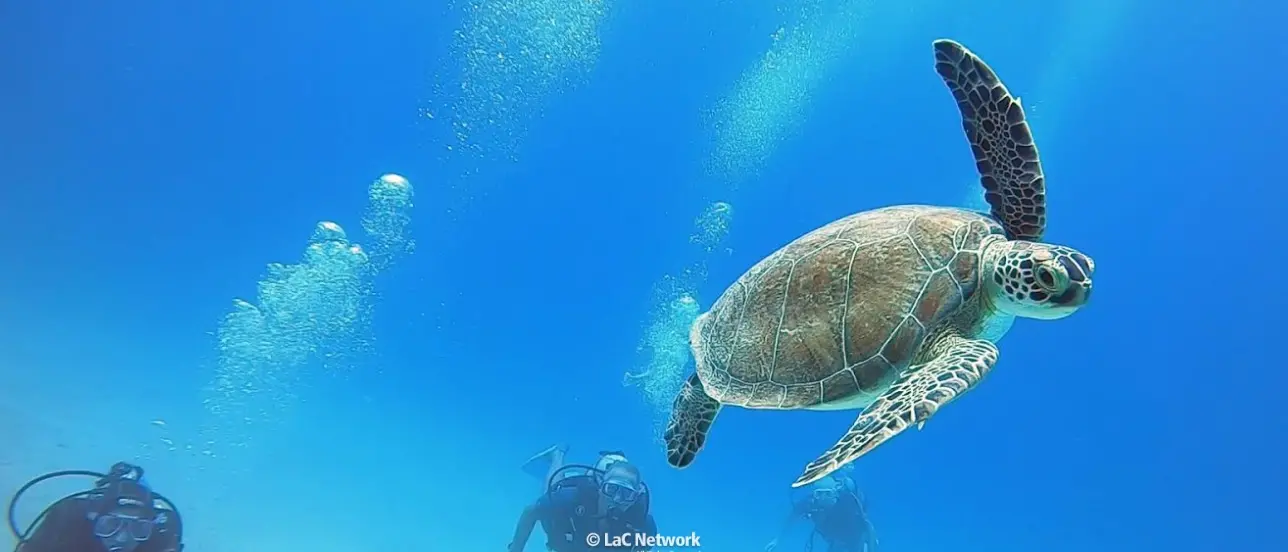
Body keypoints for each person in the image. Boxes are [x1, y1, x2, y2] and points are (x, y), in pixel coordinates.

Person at [10, 462, 183, 552]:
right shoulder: (67, 530)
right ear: (93, 518)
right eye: (111, 525)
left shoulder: (158, 540)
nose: (122, 538)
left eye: (139, 528)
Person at [509, 449, 656, 552]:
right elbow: (531, 511)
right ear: (600, 487)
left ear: (635, 497)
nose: (616, 500)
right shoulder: (570, 499)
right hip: (566, 533)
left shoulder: (643, 526)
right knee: (552, 491)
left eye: (626, 494)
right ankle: (557, 454)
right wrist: (516, 549)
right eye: (611, 489)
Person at [765, 470, 877, 552]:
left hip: (855, 538)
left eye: (828, 493)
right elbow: (791, 518)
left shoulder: (846, 503)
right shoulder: (810, 504)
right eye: (819, 494)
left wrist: (871, 548)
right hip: (834, 539)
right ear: (814, 495)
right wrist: (778, 539)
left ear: (835, 494)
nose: (823, 498)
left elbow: (867, 526)